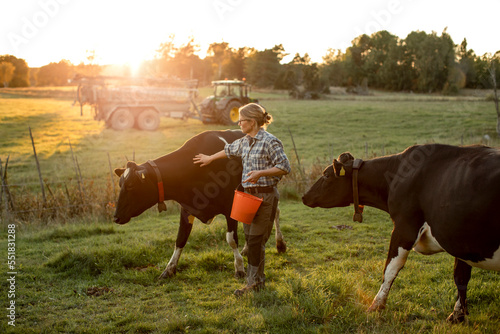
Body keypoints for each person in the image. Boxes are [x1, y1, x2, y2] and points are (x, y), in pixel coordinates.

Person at [193, 103, 291, 296]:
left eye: (242, 120)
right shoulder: (244, 141)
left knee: (255, 241)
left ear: (252, 122)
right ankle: (256, 282)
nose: (238, 123)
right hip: (247, 196)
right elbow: (228, 150)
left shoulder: (270, 142)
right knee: (250, 239)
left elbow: (284, 166)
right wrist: (210, 158)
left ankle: (254, 284)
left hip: (265, 195)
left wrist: (261, 173)